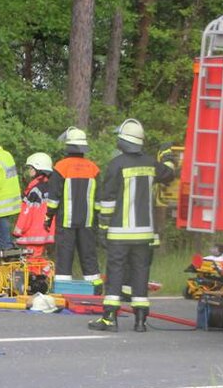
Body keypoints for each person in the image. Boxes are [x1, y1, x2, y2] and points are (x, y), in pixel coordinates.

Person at [88, 118, 177, 333]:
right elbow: (169, 173)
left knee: (116, 272)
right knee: (140, 273)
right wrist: (167, 157)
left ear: (123, 141)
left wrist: (102, 229)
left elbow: (107, 201)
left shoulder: (116, 165)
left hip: (119, 233)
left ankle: (110, 319)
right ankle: (140, 321)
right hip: (144, 234)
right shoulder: (150, 164)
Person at [45, 127, 102, 293]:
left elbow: (53, 199)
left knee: (65, 255)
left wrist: (48, 217)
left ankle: (63, 290)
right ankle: (96, 288)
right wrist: (96, 218)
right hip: (88, 221)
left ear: (68, 146)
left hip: (66, 221)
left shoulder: (61, 167)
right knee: (89, 255)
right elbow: (99, 199)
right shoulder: (94, 168)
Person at [13, 152, 55, 256]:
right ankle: (45, 272)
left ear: (39, 170)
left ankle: (41, 272)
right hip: (46, 232)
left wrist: (18, 230)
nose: (29, 171)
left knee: (33, 262)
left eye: (31, 168)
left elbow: (26, 213)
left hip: (34, 232)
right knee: (39, 260)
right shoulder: (52, 188)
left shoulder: (35, 190)